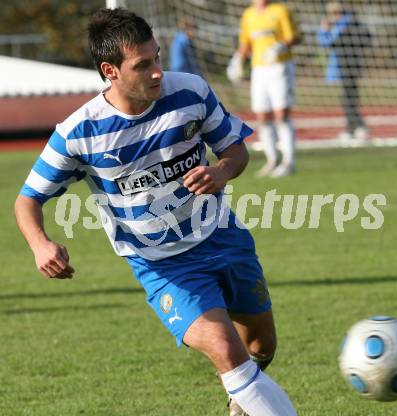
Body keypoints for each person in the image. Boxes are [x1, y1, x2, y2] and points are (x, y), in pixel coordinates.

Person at [14, 8, 297, 416]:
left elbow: (235, 150)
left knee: (260, 347)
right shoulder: (79, 133)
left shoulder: (192, 92)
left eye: (158, 58)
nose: (157, 72)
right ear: (110, 71)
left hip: (222, 236)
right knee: (224, 347)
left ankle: (244, 398)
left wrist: (220, 171)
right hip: (162, 263)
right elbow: (27, 200)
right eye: (142, 65)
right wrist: (40, 245)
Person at [227, 0, 302, 177]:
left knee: (281, 114)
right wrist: (237, 60)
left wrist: (281, 46)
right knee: (263, 116)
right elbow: (245, 43)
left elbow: (296, 36)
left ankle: (289, 161)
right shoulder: (248, 14)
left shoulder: (281, 10)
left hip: (280, 65)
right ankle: (272, 160)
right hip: (259, 68)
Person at [317, 1, 371, 142]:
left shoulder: (345, 26)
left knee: (348, 100)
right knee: (348, 99)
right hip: (348, 66)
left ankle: (358, 128)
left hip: (347, 66)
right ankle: (353, 128)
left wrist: (324, 30)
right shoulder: (350, 24)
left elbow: (327, 42)